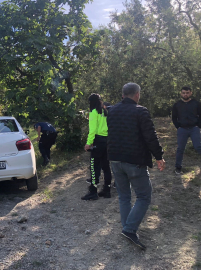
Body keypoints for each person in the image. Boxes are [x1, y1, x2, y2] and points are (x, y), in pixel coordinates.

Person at [107, 83, 165, 250]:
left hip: (115, 159)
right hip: (134, 160)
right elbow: (150, 136)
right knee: (144, 196)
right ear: (137, 95)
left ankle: (127, 229)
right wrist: (159, 156)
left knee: (124, 196)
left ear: (123, 94)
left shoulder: (112, 111)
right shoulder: (141, 111)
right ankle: (130, 229)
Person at [81, 94, 112, 200]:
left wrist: (88, 143)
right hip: (107, 140)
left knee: (94, 167)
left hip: (98, 141)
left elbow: (92, 130)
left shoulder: (93, 113)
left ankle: (93, 191)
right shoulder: (105, 111)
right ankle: (107, 190)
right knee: (106, 166)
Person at [171, 86, 201, 174]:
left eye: (187, 93)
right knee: (180, 149)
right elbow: (174, 117)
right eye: (183, 93)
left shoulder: (196, 103)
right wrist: (178, 127)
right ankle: (178, 168)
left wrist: (198, 126)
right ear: (181, 93)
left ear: (191, 93)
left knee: (198, 147)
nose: (185, 94)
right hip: (182, 129)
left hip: (194, 128)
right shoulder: (177, 104)